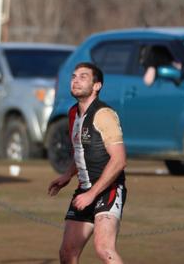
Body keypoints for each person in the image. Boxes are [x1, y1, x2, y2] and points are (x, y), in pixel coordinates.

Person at [47, 62, 127, 264]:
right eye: (74, 76)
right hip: (84, 190)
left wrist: (92, 194)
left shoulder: (104, 115)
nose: (75, 80)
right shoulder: (73, 113)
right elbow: (82, 153)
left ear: (97, 85)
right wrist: (67, 175)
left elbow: (119, 160)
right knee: (67, 253)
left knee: (104, 250)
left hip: (108, 190)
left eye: (83, 77)